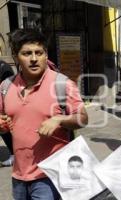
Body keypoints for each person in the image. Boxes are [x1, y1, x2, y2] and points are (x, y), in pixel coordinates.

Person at [0, 29, 88, 200]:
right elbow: (3, 121)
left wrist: (59, 119)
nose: (33, 58)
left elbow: (83, 118)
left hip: (50, 176)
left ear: (46, 55)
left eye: (38, 53)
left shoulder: (62, 84)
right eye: (27, 53)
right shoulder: (5, 87)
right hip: (18, 176)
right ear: (16, 56)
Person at [0, 60, 15, 166]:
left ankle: (15, 155)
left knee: (4, 127)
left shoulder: (4, 67)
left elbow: (8, 87)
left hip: (4, 103)